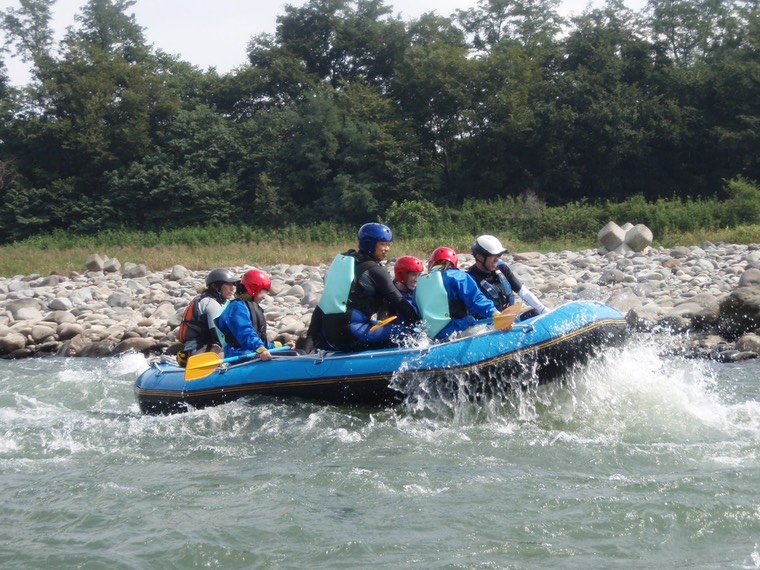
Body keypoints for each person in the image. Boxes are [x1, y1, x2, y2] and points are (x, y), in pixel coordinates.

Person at [307, 223, 420, 352]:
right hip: (351, 334)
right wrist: (419, 324)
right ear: (369, 244)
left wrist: (310, 337)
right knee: (407, 334)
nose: (387, 248)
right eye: (383, 244)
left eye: (389, 244)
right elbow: (398, 300)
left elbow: (322, 305)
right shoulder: (374, 270)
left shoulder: (345, 265)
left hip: (330, 333)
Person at [417, 246, 499, 340]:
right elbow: (476, 300)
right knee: (488, 329)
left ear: (432, 263)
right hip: (460, 331)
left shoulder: (420, 284)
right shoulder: (458, 276)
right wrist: (494, 313)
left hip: (434, 337)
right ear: (454, 263)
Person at [216, 269, 295, 361]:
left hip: (251, 352)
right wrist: (260, 349)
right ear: (253, 289)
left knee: (298, 352)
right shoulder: (237, 308)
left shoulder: (247, 306)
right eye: (263, 291)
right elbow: (245, 333)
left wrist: (280, 345)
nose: (264, 296)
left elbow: (259, 341)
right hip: (239, 355)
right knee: (294, 355)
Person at [467, 234, 547, 319]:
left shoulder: (502, 268)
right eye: (492, 256)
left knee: (535, 312)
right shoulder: (468, 279)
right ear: (479, 257)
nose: (497, 259)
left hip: (509, 320)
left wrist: (543, 310)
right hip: (485, 326)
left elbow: (524, 292)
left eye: (498, 255)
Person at [176, 267, 238, 366]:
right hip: (198, 351)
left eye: (233, 284)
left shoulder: (211, 301)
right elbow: (218, 335)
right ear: (215, 286)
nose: (232, 288)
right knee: (225, 351)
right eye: (228, 284)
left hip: (200, 349)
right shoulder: (210, 303)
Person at [378, 256, 424, 324]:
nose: (416, 279)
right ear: (401, 275)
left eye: (419, 275)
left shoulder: (419, 292)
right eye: (413, 275)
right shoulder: (389, 297)